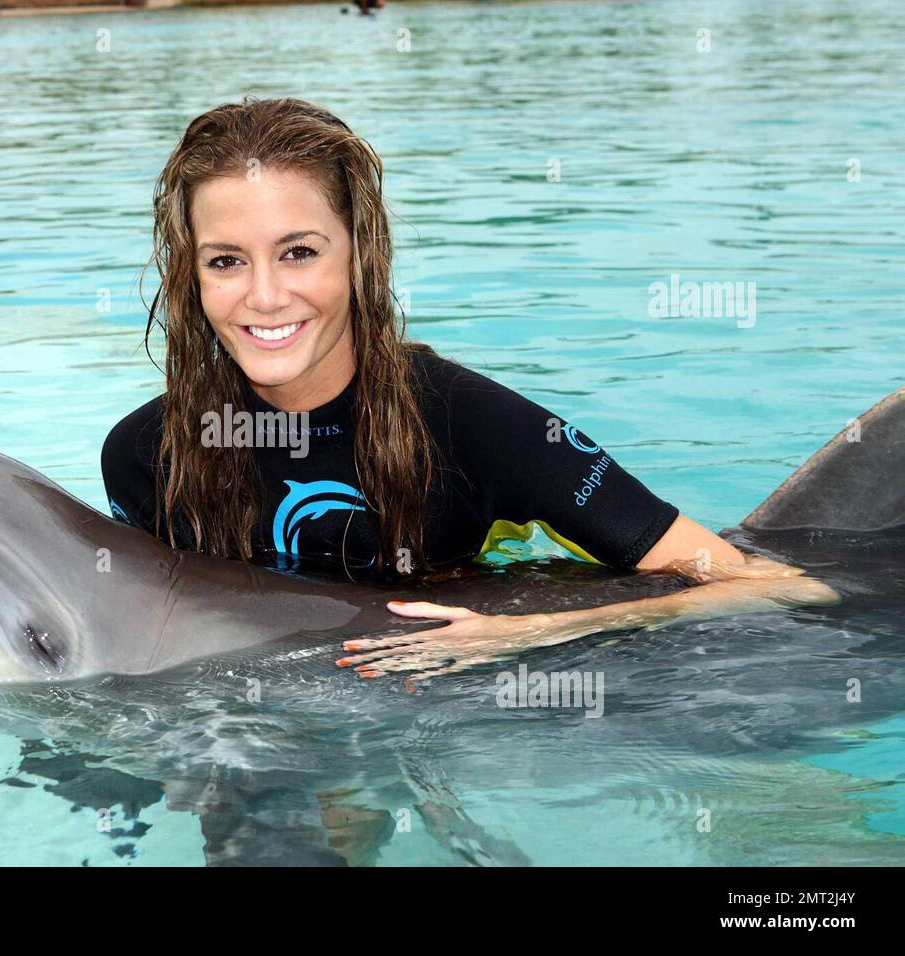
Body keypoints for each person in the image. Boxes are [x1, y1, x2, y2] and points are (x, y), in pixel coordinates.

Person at [101, 97, 838, 684]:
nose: (265, 296)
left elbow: (773, 586)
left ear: (360, 253)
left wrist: (525, 634)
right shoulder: (143, 456)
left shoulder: (471, 424)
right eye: (226, 261)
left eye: (299, 252)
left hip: (464, 692)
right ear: (189, 278)